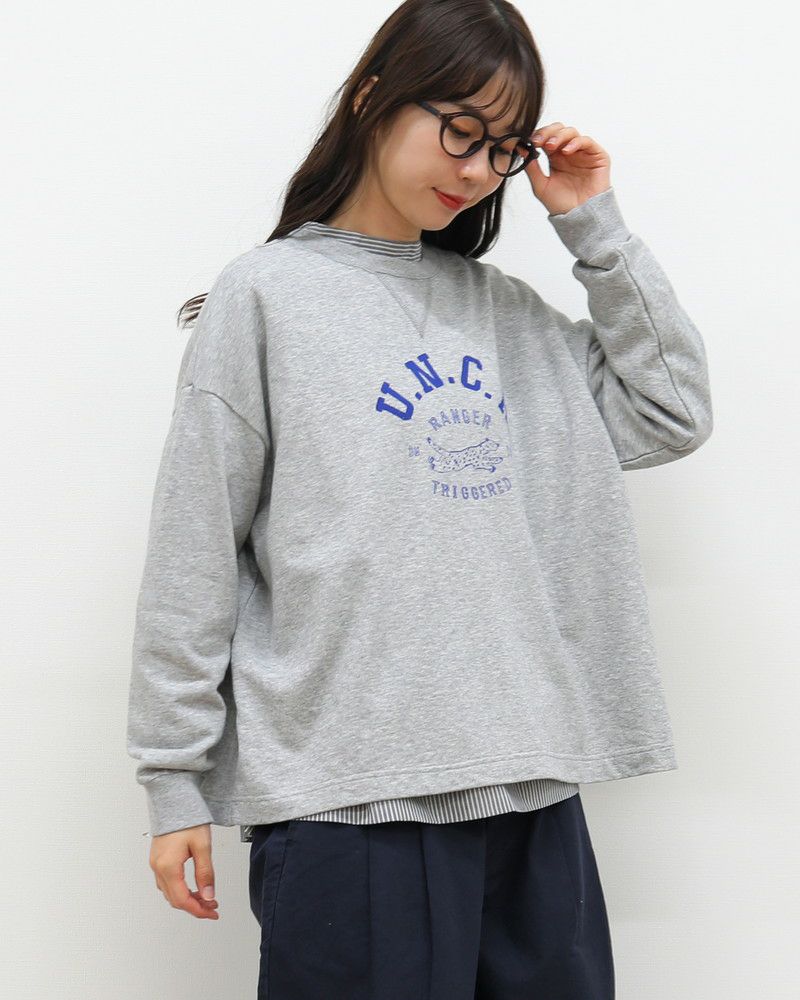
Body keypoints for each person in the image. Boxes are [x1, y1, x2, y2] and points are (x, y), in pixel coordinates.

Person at [126, 1, 713, 996]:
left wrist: (591, 223)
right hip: (349, 802)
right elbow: (195, 549)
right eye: (460, 131)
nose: (477, 170)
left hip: (531, 786)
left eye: (502, 148)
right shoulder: (266, 296)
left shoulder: (509, 317)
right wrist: (173, 780)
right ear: (372, 98)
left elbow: (671, 411)